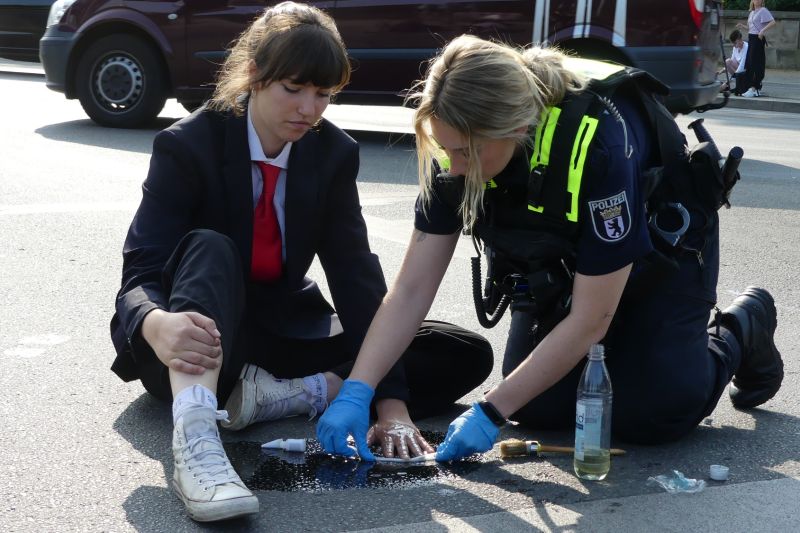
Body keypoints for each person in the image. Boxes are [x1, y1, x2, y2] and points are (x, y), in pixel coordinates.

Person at [316, 35, 784, 462]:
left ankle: (741, 330)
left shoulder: (593, 145)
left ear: (516, 130)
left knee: (654, 413)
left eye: (465, 154)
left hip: (661, 258)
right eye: (446, 150)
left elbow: (591, 318)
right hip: (563, 266)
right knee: (538, 407)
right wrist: (361, 389)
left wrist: (489, 413)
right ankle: (637, 358)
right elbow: (412, 290)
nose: (453, 168)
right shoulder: (460, 151)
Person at [109, 4, 492, 522]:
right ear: (254, 75)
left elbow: (354, 273)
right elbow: (141, 271)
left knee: (459, 352)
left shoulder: (332, 154)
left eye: (324, 94)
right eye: (294, 88)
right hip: (192, 341)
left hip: (283, 335)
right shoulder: (188, 145)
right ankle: (196, 448)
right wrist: (155, 323)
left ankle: (285, 396)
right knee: (209, 245)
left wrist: (391, 402)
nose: (309, 108)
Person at [737, 0, 777, 97]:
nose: (757, 0)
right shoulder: (751, 12)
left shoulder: (763, 10)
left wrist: (762, 31)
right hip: (751, 38)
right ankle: (751, 86)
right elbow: (750, 28)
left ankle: (755, 88)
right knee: (750, 63)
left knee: (756, 63)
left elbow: (773, 22)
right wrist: (742, 26)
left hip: (758, 39)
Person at [723, 30, 749, 94]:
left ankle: (738, 82)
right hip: (738, 72)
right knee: (727, 61)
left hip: (746, 71)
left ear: (739, 40)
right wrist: (720, 71)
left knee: (725, 85)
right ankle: (736, 82)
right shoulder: (735, 48)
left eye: (734, 43)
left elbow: (742, 65)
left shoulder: (746, 47)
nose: (733, 45)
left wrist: (728, 81)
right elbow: (731, 61)